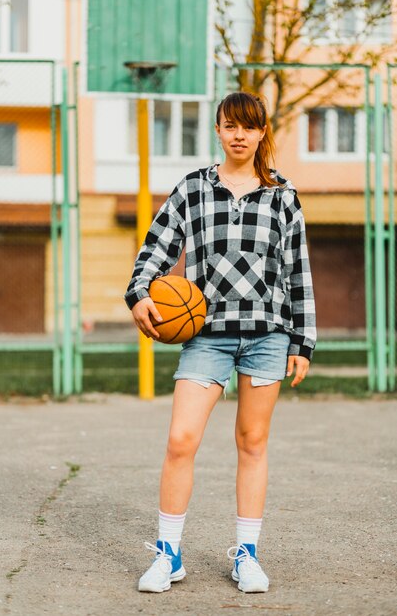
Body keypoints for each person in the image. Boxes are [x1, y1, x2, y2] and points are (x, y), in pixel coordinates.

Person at [124, 91, 317, 594]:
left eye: (247, 127)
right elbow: (156, 246)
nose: (238, 134)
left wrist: (303, 340)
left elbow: (297, 272)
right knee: (180, 440)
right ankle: (169, 554)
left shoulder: (283, 195)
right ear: (217, 129)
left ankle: (246, 556)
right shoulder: (192, 189)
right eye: (229, 125)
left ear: (261, 133)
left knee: (252, 443)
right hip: (206, 337)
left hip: (267, 336)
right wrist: (139, 291)